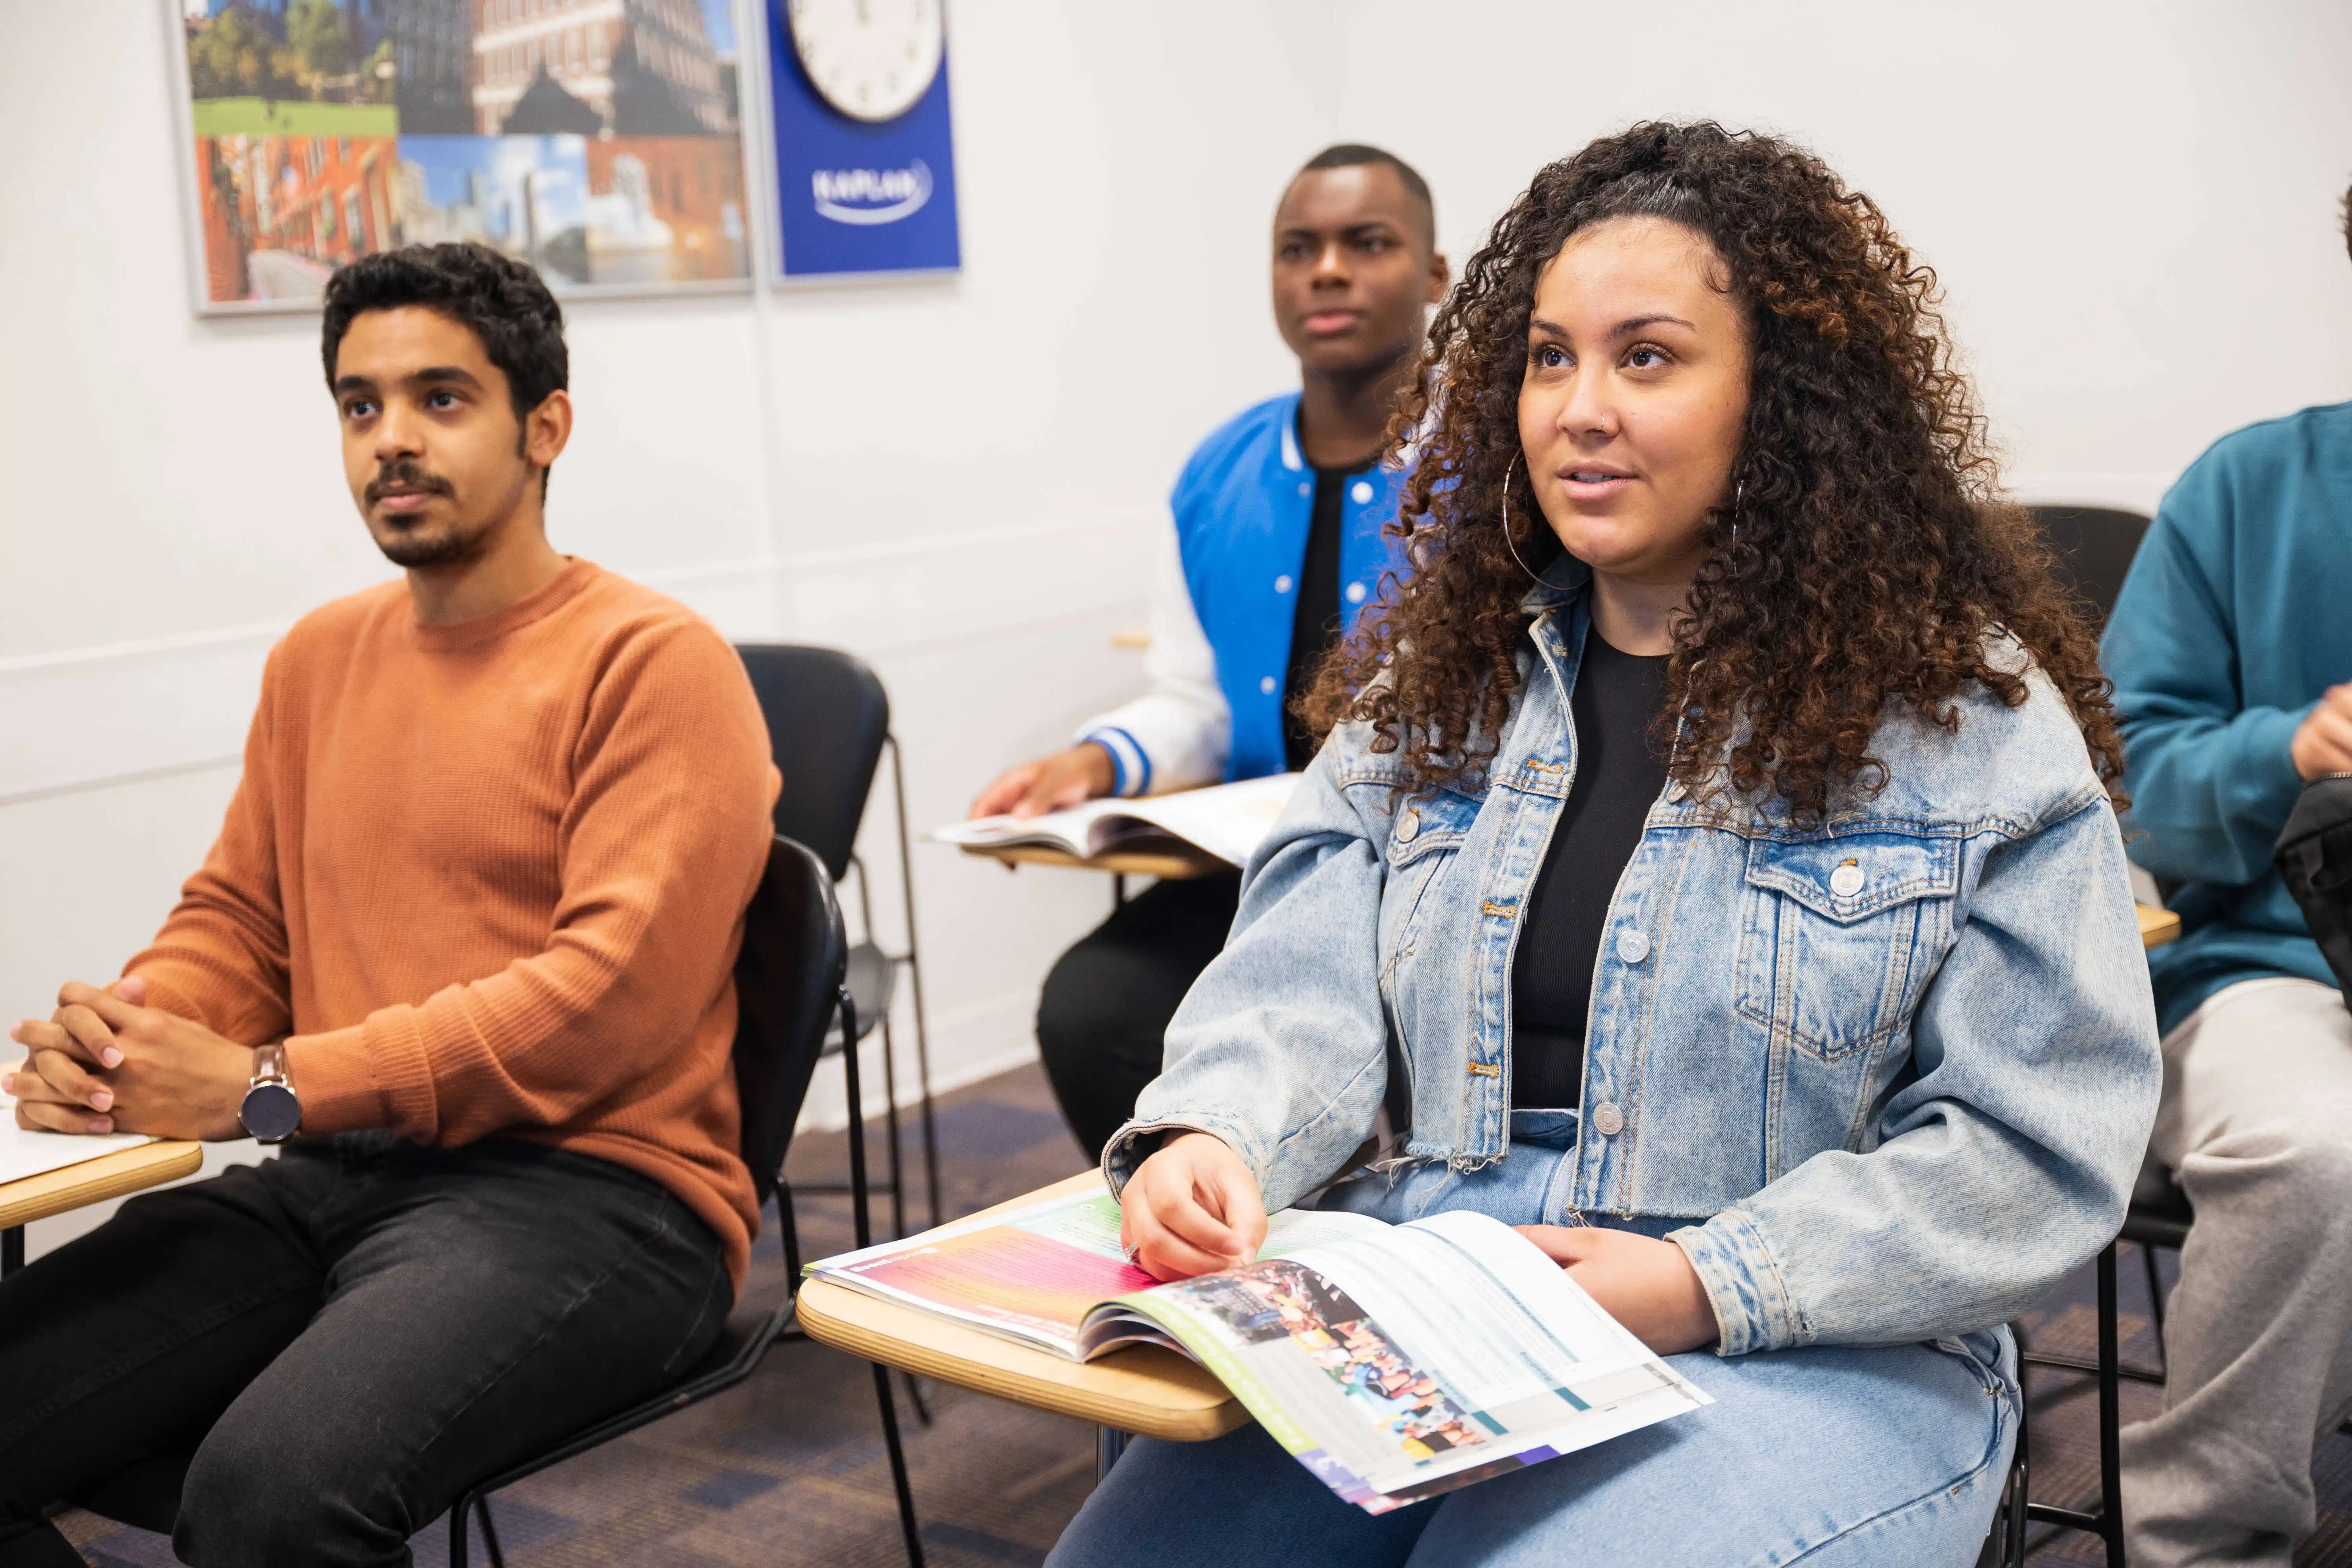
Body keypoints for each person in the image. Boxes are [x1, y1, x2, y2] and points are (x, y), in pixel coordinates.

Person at [1052, 123, 2161, 1567]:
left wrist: (1702, 1282)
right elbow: (1293, 989)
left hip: (1817, 1337)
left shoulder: (1966, 721)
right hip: (1446, 1288)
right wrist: (1217, 1133)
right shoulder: (1437, 688)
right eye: (1548, 358)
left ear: (1783, 397)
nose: (1580, 409)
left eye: (1647, 358)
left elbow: (2035, 1150)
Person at [0, 244, 779, 1568]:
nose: (392, 440)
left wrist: (262, 1089)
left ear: (546, 428)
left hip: (597, 1197)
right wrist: (132, 1036)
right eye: (360, 406)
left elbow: (601, 1008)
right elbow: (243, 923)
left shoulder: (658, 665)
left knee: (271, 1498)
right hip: (338, 1168)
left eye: (441, 399)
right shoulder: (318, 659)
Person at [970, 144, 1450, 1158]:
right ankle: (1236, 1214)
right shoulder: (1215, 474)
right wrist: (1093, 762)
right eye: (1298, 249)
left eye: (1367, 244)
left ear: (1435, 277)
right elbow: (1196, 703)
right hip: (1263, 870)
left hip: (1436, 874)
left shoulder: (1492, 465)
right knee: (1094, 1010)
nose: (1327, 271)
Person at [2100, 181, 2352, 1568]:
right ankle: (2195, 1544)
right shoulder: (2249, 488)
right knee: (2319, 1151)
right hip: (2272, 964)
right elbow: (2132, 785)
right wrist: (2292, 747)